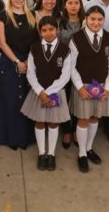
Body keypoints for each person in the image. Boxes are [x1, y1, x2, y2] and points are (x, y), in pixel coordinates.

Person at [69, 5, 109, 173]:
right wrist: (80, 87)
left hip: (102, 86)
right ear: (86, 19)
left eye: (99, 19)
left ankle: (89, 148)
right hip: (83, 85)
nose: (96, 22)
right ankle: (82, 153)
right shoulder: (76, 38)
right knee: (83, 119)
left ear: (104, 20)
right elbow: (71, 66)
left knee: (95, 117)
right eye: (92, 19)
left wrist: (108, 87)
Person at [21, 16, 73, 171]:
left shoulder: (65, 50)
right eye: (44, 30)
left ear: (57, 30)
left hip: (56, 93)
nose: (48, 33)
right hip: (39, 92)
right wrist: (40, 92)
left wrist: (49, 92)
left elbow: (66, 75)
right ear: (40, 32)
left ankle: (51, 154)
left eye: (51, 29)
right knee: (39, 122)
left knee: (53, 122)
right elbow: (31, 73)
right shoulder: (34, 49)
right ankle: (42, 153)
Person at [0, 0, 37, 150]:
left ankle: (25, 138)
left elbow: (36, 42)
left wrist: (27, 62)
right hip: (9, 63)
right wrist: (17, 62)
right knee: (10, 102)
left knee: (26, 101)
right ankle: (11, 138)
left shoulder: (32, 15)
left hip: (28, 62)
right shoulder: (2, 16)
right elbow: (2, 43)